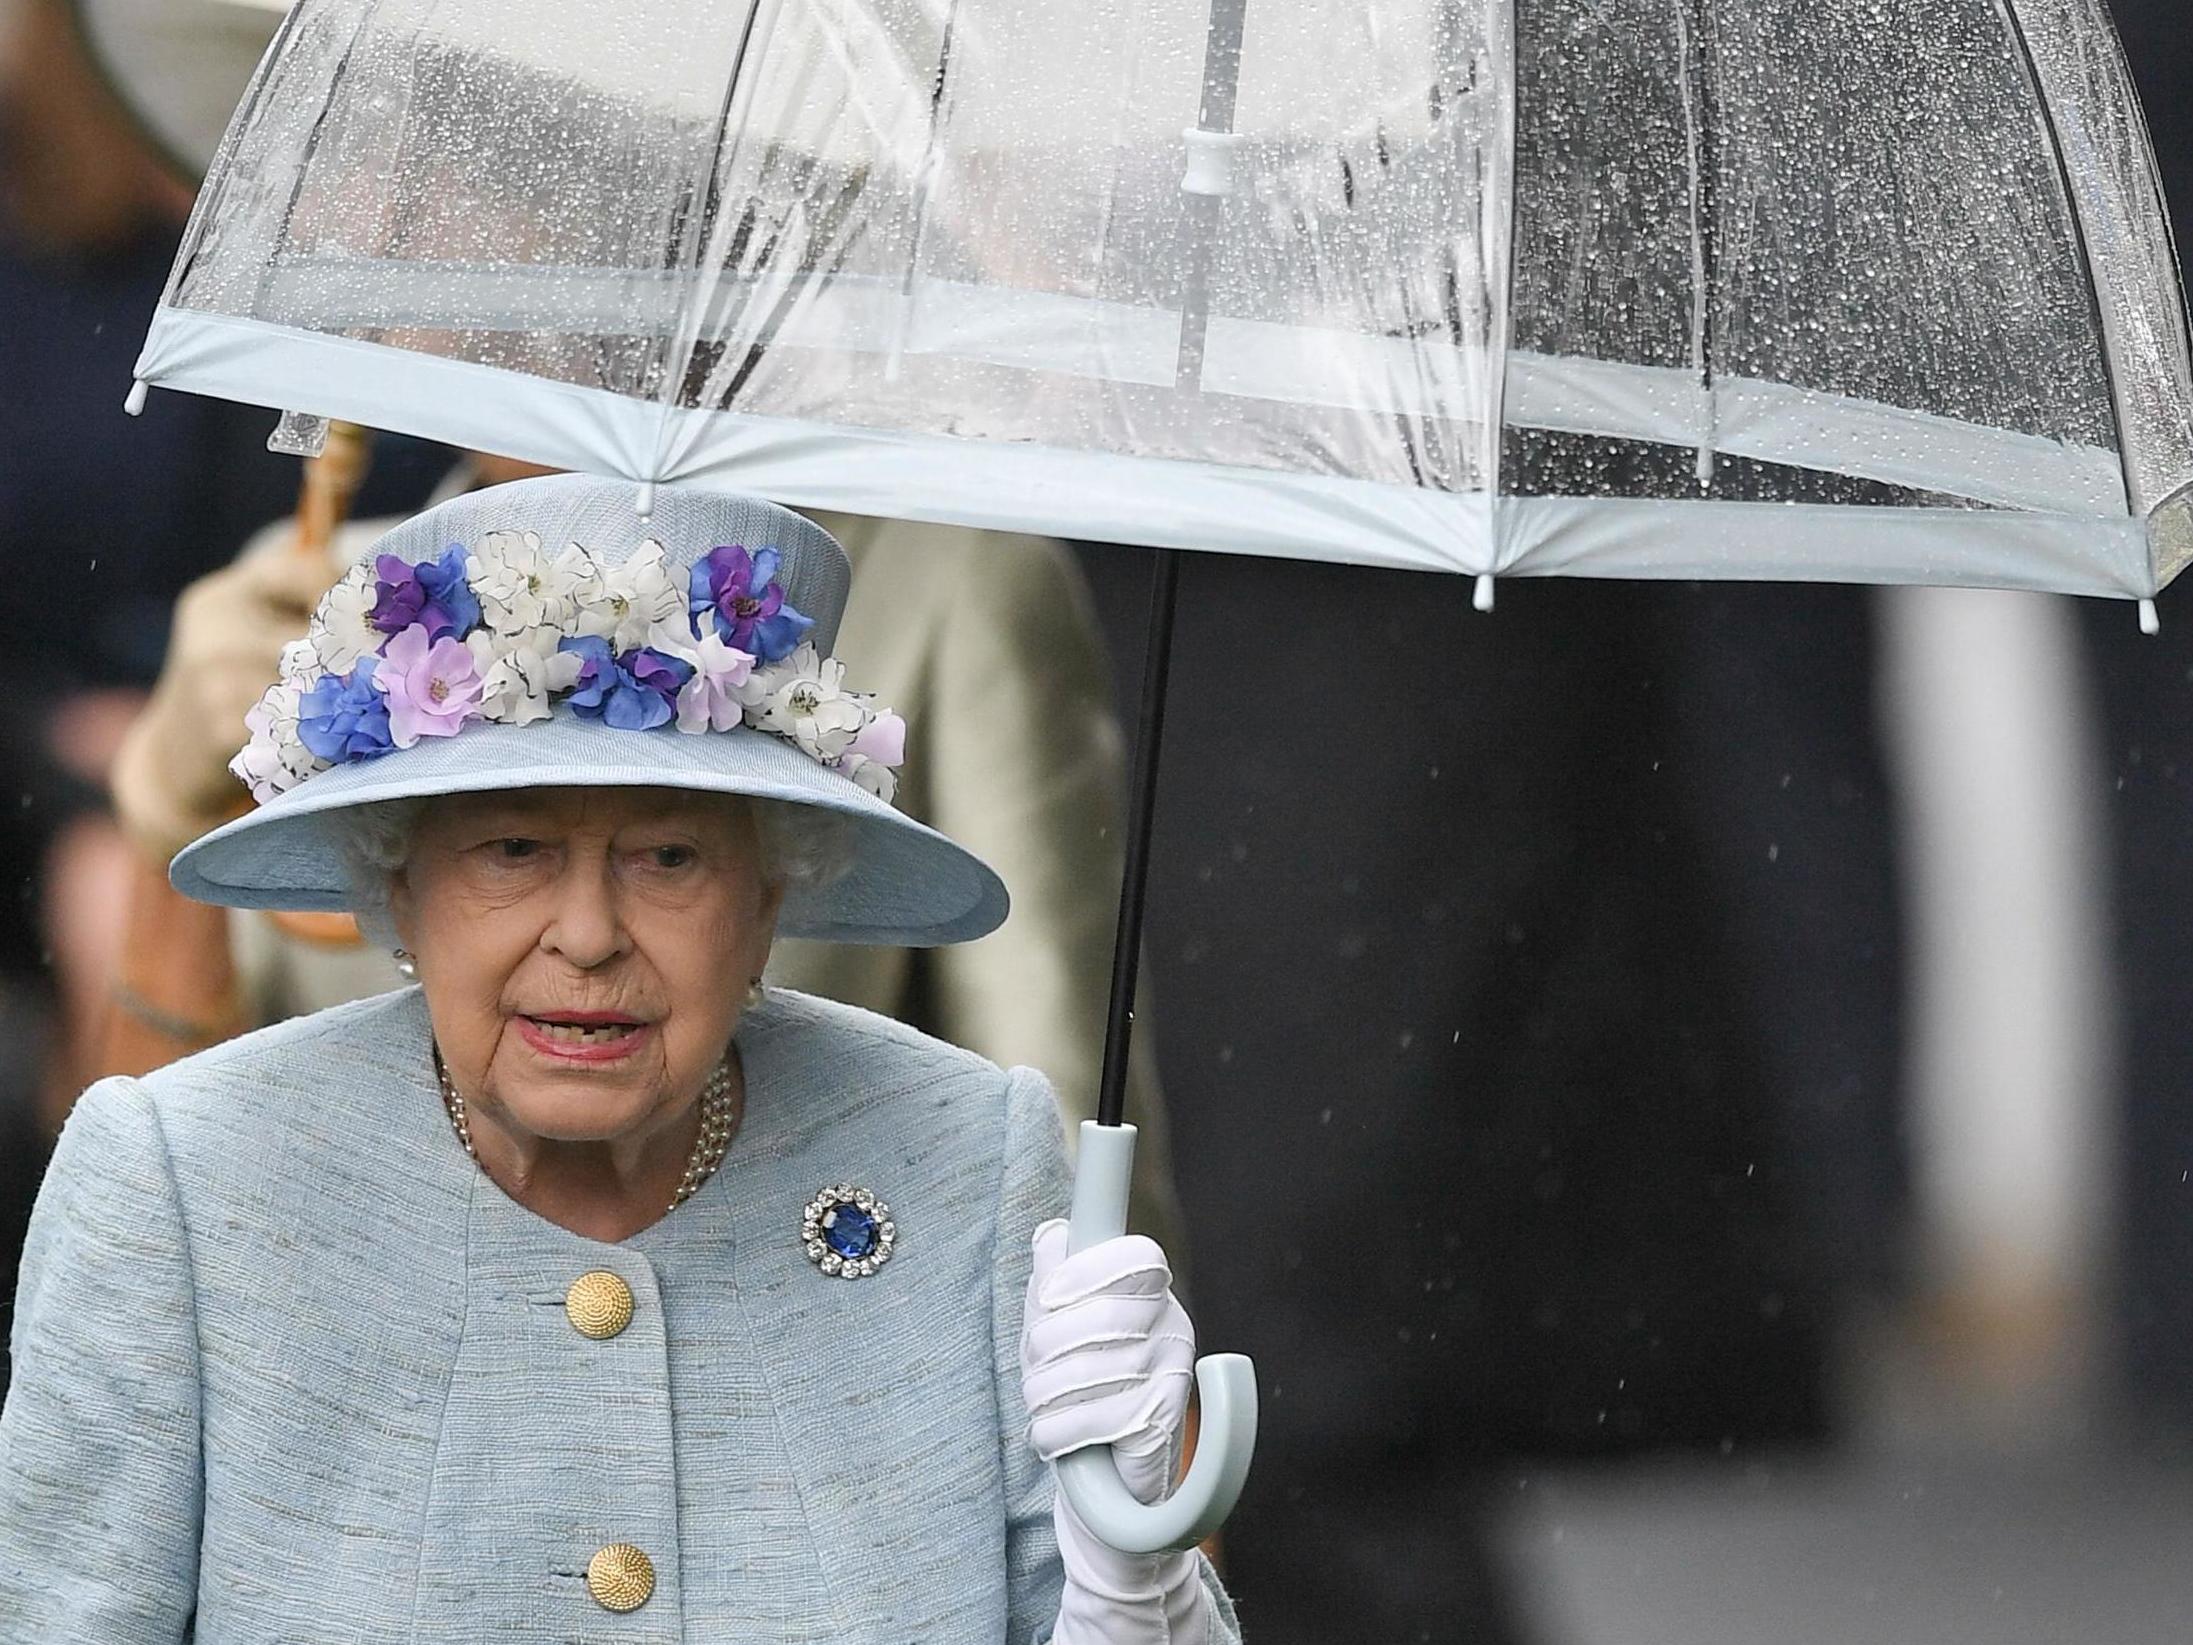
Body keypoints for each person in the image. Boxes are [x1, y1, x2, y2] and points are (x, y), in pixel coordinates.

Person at [0, 473, 1240, 1643]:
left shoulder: (973, 1164)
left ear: (771, 894)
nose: (587, 936)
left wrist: (1137, 1585)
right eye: (512, 847)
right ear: (398, 885)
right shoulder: (181, 1185)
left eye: (669, 857)